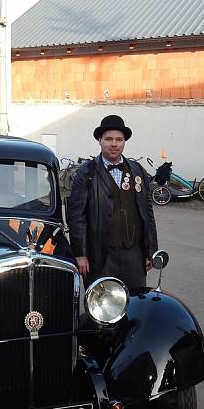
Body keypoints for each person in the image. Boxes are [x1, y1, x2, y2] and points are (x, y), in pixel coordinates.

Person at [66, 114, 158, 292]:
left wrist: (151, 249)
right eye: (108, 139)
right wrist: (80, 254)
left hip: (134, 254)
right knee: (101, 306)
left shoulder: (137, 170)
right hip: (100, 256)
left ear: (124, 142)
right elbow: (76, 217)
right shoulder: (87, 172)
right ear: (99, 141)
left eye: (119, 139)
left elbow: (147, 212)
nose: (114, 144)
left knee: (136, 303)